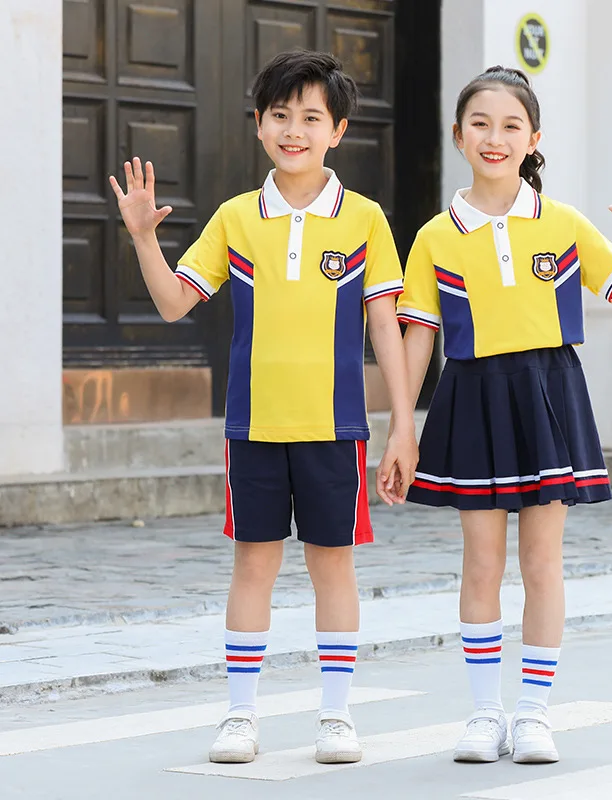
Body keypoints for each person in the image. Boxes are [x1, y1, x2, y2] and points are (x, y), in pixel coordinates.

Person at [109, 50, 418, 766]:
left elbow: (384, 326)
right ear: (258, 124)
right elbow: (173, 301)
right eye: (280, 115)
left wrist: (403, 422)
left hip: (336, 427)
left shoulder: (366, 220)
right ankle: (240, 715)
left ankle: (336, 717)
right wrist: (144, 238)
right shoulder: (236, 219)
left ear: (337, 130)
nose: (294, 129)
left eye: (312, 117)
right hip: (251, 425)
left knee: (332, 567)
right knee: (253, 565)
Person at [397, 65, 612, 765]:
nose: (495, 137)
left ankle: (535, 714)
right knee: (481, 563)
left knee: (543, 563)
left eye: (511, 125)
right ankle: (485, 714)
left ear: (534, 138)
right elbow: (419, 339)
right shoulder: (434, 235)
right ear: (458, 136)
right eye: (480, 124)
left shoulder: (565, 223)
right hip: (471, 395)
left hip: (548, 391)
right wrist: (402, 428)